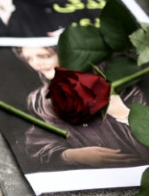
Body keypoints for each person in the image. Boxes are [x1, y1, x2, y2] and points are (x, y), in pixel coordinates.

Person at [14, 46, 149, 167]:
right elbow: (38, 141)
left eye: (44, 56)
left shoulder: (123, 85)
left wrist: (122, 113)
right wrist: (72, 155)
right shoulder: (39, 100)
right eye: (29, 59)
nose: (36, 64)